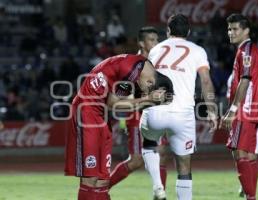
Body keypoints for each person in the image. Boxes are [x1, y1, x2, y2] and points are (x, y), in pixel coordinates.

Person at [64, 54, 166, 200]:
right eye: (146, 89)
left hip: (101, 115)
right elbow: (114, 104)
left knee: (103, 179)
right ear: (150, 81)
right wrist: (148, 98)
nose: (141, 90)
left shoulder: (139, 66)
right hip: (86, 112)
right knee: (90, 177)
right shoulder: (131, 70)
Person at [140, 14, 217, 200]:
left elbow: (145, 80)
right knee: (184, 166)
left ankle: (158, 187)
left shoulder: (156, 50)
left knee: (149, 143)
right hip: (183, 113)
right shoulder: (198, 51)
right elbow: (205, 81)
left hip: (156, 109)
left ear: (168, 31)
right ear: (188, 32)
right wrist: (212, 110)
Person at [109, 26, 169, 190]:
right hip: (136, 116)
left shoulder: (158, 64)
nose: (156, 43)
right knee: (136, 161)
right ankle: (102, 187)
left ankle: (160, 194)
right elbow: (121, 95)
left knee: (162, 155)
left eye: (157, 39)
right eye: (152, 40)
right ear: (141, 43)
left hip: (156, 115)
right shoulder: (131, 65)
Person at [220, 13, 258, 200]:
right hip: (252, 109)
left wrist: (233, 110)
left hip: (244, 111)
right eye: (229, 29)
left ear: (246, 30)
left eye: (235, 28)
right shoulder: (252, 49)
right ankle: (251, 196)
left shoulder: (245, 51)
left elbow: (245, 80)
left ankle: (250, 197)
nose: (230, 32)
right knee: (250, 156)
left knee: (240, 154)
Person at [228, 74, 258, 197]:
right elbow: (231, 98)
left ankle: (250, 192)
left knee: (250, 157)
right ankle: (248, 190)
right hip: (243, 117)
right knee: (243, 156)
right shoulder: (233, 76)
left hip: (251, 118)